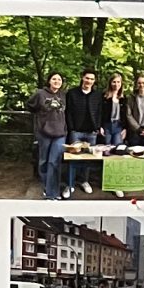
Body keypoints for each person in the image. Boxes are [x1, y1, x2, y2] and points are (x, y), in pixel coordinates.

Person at [64, 66, 104, 196]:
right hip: (76, 131)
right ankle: (70, 183)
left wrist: (97, 126)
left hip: (91, 132)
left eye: (92, 79)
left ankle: (84, 181)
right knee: (73, 157)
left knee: (88, 158)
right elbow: (68, 112)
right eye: (87, 78)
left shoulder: (97, 95)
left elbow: (100, 112)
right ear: (82, 78)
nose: (89, 81)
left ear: (94, 81)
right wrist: (71, 128)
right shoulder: (72, 93)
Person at [29, 72, 69, 199]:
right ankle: (48, 187)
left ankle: (52, 193)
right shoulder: (40, 94)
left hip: (60, 133)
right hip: (44, 133)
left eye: (59, 79)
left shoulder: (63, 95)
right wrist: (41, 120)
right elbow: (30, 106)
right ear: (49, 81)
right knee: (44, 162)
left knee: (54, 162)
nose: (57, 81)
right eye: (54, 79)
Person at [102, 71, 128, 148]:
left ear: (121, 83)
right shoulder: (104, 97)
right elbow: (100, 112)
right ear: (110, 83)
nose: (116, 84)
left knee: (118, 148)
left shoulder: (124, 98)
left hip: (118, 126)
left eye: (118, 82)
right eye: (114, 82)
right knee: (106, 149)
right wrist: (100, 126)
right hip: (107, 125)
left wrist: (125, 128)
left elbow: (126, 115)